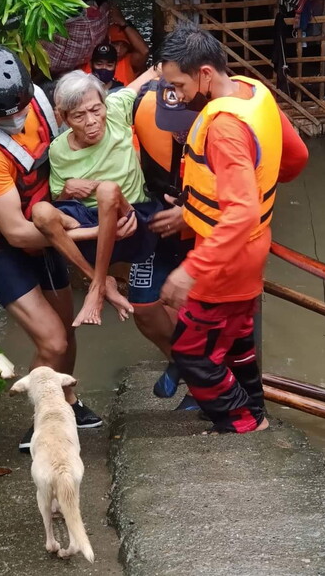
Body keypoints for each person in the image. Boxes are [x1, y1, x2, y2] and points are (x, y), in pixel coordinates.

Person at [158, 24, 309, 434]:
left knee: (191, 352)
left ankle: (244, 421)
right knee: (238, 338)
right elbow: (296, 157)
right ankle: (255, 408)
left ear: (205, 74)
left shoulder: (224, 128)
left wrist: (190, 269)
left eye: (179, 84)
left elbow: (238, 213)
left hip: (224, 263)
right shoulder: (252, 91)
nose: (178, 95)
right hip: (253, 249)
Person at [0, 46, 103, 452]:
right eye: (3, 117)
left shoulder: (39, 100)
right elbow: (17, 233)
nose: (14, 120)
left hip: (46, 222)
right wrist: (89, 232)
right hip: (0, 245)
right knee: (51, 342)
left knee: (66, 333)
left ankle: (68, 404)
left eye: (17, 110)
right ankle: (42, 426)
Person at [31, 68, 163, 328]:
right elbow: (59, 196)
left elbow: (146, 77)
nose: (91, 121)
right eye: (79, 116)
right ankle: (100, 281)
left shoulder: (113, 110)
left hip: (130, 216)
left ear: (103, 104)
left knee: (107, 189)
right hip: (92, 225)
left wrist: (165, 64)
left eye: (95, 110)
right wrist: (69, 188)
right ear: (64, 118)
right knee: (40, 212)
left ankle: (96, 288)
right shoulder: (59, 150)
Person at [129, 78, 199, 408]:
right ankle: (187, 364)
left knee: (203, 313)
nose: (178, 130)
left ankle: (203, 386)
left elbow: (246, 191)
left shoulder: (224, 119)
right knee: (142, 306)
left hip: (203, 231)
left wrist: (190, 214)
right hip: (156, 221)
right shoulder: (139, 105)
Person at [107, 5, 149, 84]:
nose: (119, 50)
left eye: (124, 45)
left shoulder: (131, 60)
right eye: (115, 44)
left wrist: (123, 23)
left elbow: (144, 51)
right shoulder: (94, 60)